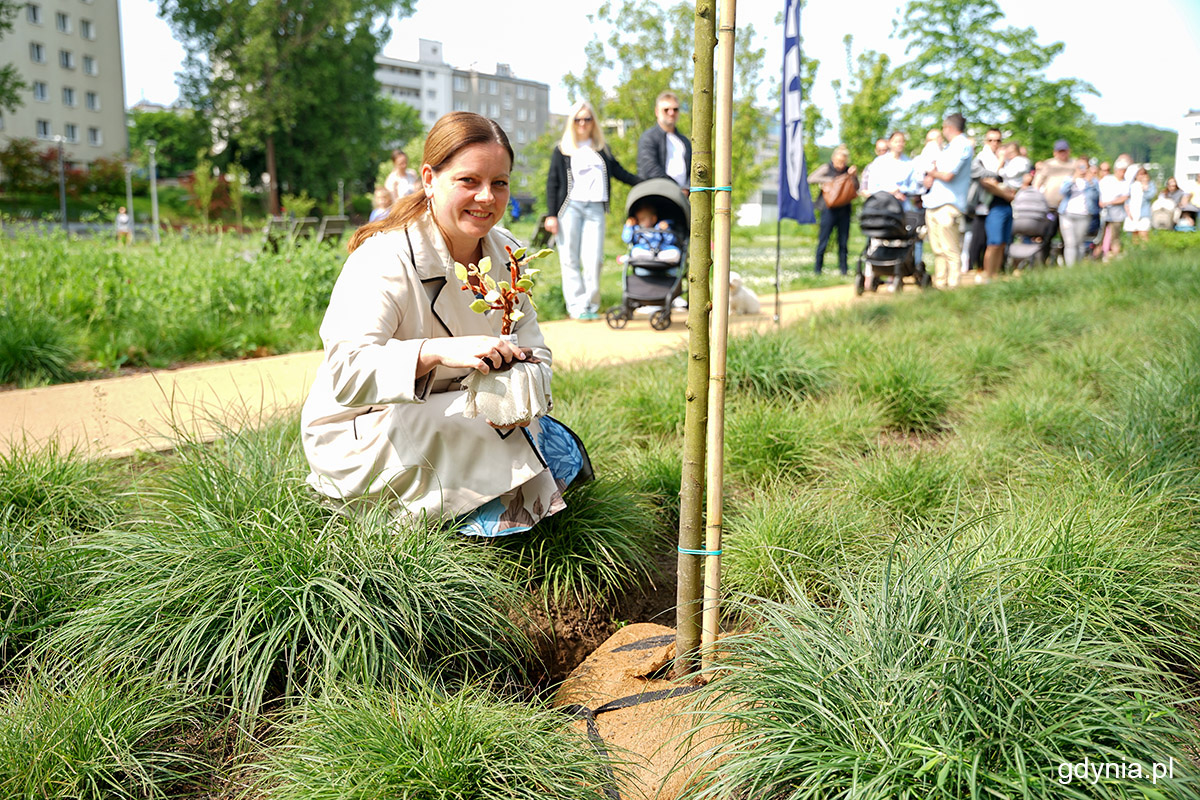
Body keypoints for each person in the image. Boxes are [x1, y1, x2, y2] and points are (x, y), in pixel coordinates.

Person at [301, 112, 587, 537]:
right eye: (468, 181)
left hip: (461, 410)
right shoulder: (384, 259)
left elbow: (536, 350)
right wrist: (434, 352)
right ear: (430, 179)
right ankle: (464, 532)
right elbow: (347, 371)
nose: (487, 197)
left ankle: (486, 514)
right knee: (486, 431)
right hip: (365, 429)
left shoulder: (507, 251)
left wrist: (520, 375)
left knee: (540, 434)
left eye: (500, 183)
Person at [545, 100, 641, 320]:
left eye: (587, 119)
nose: (582, 123)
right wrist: (551, 215)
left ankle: (591, 305)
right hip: (570, 208)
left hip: (595, 208)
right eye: (578, 119)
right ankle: (576, 307)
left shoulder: (601, 149)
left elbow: (620, 173)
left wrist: (645, 182)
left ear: (593, 122)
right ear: (572, 122)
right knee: (569, 258)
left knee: (594, 258)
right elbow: (553, 183)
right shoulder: (562, 150)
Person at [922, 113, 974, 288]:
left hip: (949, 204)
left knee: (950, 248)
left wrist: (932, 173)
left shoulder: (963, 145)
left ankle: (953, 286)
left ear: (949, 128)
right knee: (938, 249)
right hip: (934, 203)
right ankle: (940, 283)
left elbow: (948, 175)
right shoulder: (949, 147)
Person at [807, 145, 857, 276]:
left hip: (844, 210)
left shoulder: (849, 171)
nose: (841, 165)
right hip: (828, 209)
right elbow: (811, 178)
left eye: (844, 161)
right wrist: (830, 181)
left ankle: (843, 270)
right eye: (839, 161)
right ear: (833, 159)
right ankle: (817, 270)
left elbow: (855, 188)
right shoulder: (826, 168)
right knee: (823, 241)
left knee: (843, 242)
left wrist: (853, 176)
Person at [967, 128, 1004, 274]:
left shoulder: (1001, 157)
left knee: (993, 240)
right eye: (991, 140)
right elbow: (987, 179)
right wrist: (999, 167)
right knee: (979, 238)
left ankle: (990, 271)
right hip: (982, 203)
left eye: (998, 140)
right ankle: (973, 269)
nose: (994, 143)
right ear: (985, 141)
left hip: (997, 203)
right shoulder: (982, 158)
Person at [637, 91, 691, 191]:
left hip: (683, 199)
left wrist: (687, 188)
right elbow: (650, 169)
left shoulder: (685, 141)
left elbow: (693, 170)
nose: (671, 113)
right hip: (656, 195)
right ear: (657, 112)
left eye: (675, 109)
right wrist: (676, 188)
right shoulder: (648, 138)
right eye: (666, 110)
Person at [1033, 139, 1076, 263]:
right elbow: (1037, 181)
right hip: (1050, 206)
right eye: (1060, 151)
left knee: (1066, 238)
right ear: (1055, 152)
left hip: (1068, 207)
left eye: (1064, 151)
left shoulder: (1074, 164)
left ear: (1069, 151)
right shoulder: (1049, 164)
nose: (1062, 154)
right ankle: (1043, 261)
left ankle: (1065, 261)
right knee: (1047, 235)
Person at [1057, 157, 1099, 265]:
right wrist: (1072, 180)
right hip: (1067, 214)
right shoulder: (1068, 179)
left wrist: (1090, 183)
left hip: (1084, 215)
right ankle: (1070, 268)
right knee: (1070, 243)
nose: (1081, 169)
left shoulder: (1093, 182)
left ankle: (1078, 267)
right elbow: (1062, 191)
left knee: (1079, 242)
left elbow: (1096, 198)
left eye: (1084, 166)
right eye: (1079, 166)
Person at [1098, 156, 1131, 259]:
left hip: (1117, 215)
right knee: (1100, 236)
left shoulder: (1125, 183)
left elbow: (1124, 197)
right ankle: (1097, 255)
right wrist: (1102, 202)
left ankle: (1114, 255)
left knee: (1115, 237)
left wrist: (1111, 202)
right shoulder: (1107, 179)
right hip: (1104, 213)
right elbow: (1100, 192)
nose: (1123, 173)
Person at [1124, 166, 1156, 244]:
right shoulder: (1132, 185)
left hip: (1143, 213)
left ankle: (1145, 252)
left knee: (1144, 235)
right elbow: (1127, 199)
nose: (1141, 176)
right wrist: (1128, 211)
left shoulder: (1150, 185)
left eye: (1143, 174)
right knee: (1134, 235)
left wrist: (1145, 188)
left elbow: (1150, 196)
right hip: (1132, 212)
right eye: (1139, 174)